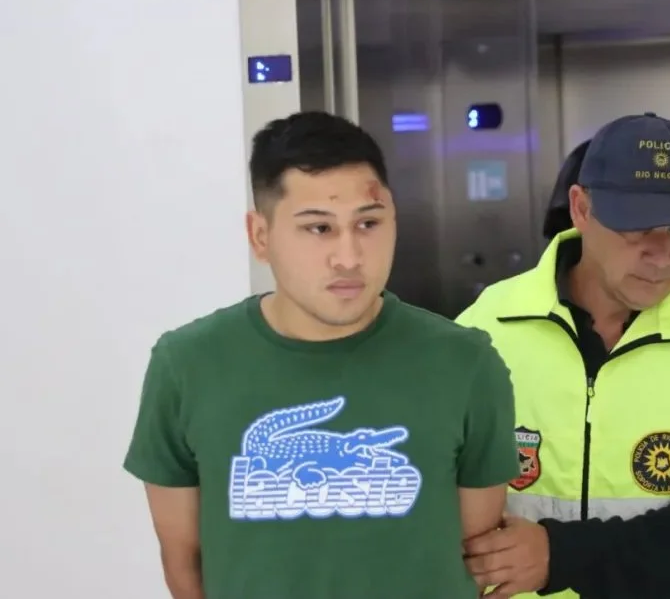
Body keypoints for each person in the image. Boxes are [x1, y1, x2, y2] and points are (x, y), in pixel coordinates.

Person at [122, 111, 520, 599]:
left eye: (368, 223)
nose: (349, 257)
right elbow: (184, 560)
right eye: (318, 228)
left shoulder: (466, 363)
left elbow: (473, 556)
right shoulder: (186, 365)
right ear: (260, 236)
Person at [456, 112, 670, 599]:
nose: (663, 254)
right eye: (638, 226)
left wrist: (561, 555)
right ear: (581, 208)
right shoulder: (480, 333)